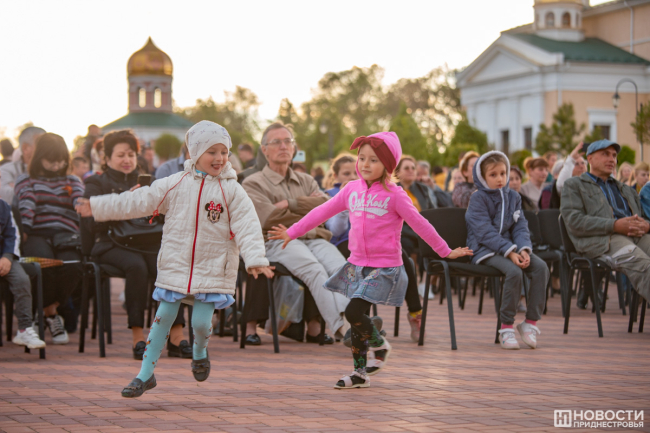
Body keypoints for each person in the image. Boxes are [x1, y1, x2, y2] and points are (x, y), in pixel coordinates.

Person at [76, 120, 274, 398]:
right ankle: (145, 374)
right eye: (212, 152)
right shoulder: (175, 183)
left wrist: (255, 259)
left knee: (201, 324)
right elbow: (137, 201)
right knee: (162, 318)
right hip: (176, 265)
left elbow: (248, 226)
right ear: (194, 152)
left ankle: (200, 352)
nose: (219, 158)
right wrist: (97, 206)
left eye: (224, 152)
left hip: (212, 269)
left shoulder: (232, 191)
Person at [270, 132, 471, 389]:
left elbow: (421, 224)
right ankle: (359, 373)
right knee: (358, 320)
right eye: (361, 158)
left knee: (353, 312)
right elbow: (321, 211)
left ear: (387, 165)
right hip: (357, 266)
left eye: (373, 160)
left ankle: (380, 345)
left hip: (385, 268)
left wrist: (445, 251)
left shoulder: (396, 195)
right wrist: (292, 232)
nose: (365, 164)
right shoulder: (351, 190)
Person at [82, 129, 190, 359]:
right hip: (110, 243)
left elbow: (163, 217)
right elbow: (90, 223)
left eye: (131, 155)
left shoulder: (148, 181)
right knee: (137, 267)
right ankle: (138, 337)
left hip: (145, 242)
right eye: (120, 155)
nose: (127, 160)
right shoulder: (95, 182)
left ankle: (176, 336)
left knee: (169, 264)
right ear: (107, 158)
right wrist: (126, 201)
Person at [242, 122, 349, 345]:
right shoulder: (253, 183)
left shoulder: (307, 180)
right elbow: (270, 218)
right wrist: (307, 208)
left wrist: (289, 204)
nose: (283, 146)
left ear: (294, 147)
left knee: (343, 269)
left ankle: (356, 323)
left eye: (288, 141)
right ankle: (345, 328)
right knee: (315, 270)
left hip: (313, 238)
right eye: (276, 142)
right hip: (279, 240)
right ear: (264, 150)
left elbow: (326, 208)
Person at [466, 151, 549, 350]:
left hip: (510, 247)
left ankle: (530, 323)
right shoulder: (477, 199)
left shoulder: (514, 197)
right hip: (483, 250)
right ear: (482, 177)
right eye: (493, 175)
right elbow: (484, 232)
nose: (500, 179)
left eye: (503, 173)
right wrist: (510, 252)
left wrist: (524, 249)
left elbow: (520, 227)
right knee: (514, 271)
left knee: (541, 268)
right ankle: (506, 328)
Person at [15, 133, 85, 345]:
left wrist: (83, 206)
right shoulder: (26, 180)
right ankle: (52, 315)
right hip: (37, 232)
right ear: (40, 158)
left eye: (61, 160)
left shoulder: (72, 180)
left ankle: (48, 310)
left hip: (66, 234)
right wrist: (25, 231)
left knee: (73, 266)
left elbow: (80, 203)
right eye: (51, 160)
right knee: (43, 265)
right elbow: (26, 206)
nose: (56, 165)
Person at [561, 139, 650, 306]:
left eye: (614, 155)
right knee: (643, 265)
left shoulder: (625, 189)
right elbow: (574, 221)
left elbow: (644, 216)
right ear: (590, 158)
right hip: (603, 240)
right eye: (605, 154)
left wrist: (647, 225)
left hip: (635, 236)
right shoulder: (574, 185)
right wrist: (614, 225)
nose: (611, 159)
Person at [0, 198, 46, 349]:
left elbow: (13, 235)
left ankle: (24, 329)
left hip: (4, 258)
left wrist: (7, 257)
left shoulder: (4, 207)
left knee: (22, 280)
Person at [324, 154, 358, 258]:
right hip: (343, 243)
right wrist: (344, 204)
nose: (352, 177)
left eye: (356, 173)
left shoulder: (367, 193)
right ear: (335, 176)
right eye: (346, 174)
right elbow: (335, 231)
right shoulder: (329, 195)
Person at [1, 126, 45, 205]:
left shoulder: (54, 169)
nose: (48, 149)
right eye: (42, 145)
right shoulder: (6, 170)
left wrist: (19, 187)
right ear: (25, 148)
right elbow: (8, 197)